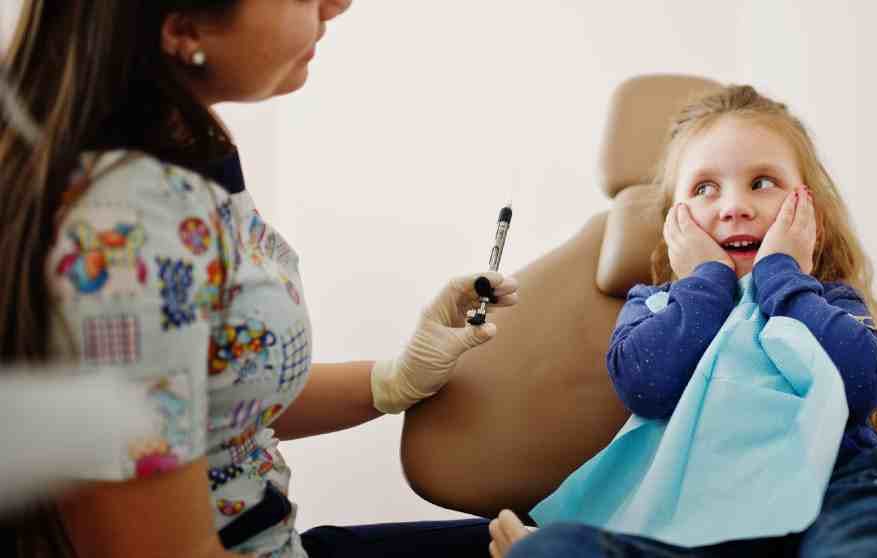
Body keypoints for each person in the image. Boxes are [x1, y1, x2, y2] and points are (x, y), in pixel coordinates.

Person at [0, 1, 512, 556]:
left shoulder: (184, 150)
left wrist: (394, 380)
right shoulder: (123, 238)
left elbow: (214, 398)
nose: (337, 5)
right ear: (184, 28)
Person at [488, 85, 877, 557]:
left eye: (762, 183)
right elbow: (647, 386)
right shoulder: (654, 306)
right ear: (673, 224)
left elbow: (859, 385)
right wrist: (707, 281)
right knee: (553, 548)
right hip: (697, 515)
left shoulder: (830, 300)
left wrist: (782, 275)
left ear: (811, 216)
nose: (734, 207)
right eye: (704, 189)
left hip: (842, 487)